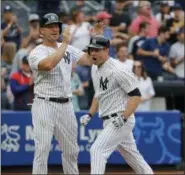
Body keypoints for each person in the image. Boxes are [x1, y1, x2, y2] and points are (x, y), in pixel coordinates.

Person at [28, 13, 101, 174]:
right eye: (50, 26)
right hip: (44, 103)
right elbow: (48, 65)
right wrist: (66, 42)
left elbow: (89, 60)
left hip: (66, 105)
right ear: (41, 31)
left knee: (71, 151)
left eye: (57, 26)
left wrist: (95, 38)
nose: (55, 29)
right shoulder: (36, 52)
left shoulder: (67, 48)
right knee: (42, 150)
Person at [80, 35, 153, 174]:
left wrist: (124, 117)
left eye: (97, 49)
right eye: (91, 50)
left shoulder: (118, 69)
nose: (93, 53)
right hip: (108, 119)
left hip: (120, 118)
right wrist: (90, 114)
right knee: (133, 156)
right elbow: (99, 94)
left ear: (107, 50)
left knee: (97, 150)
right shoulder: (95, 68)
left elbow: (136, 95)